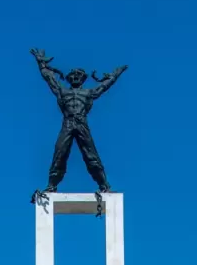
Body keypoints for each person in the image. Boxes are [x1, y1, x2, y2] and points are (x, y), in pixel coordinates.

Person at [31, 49, 127, 194]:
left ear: (83, 78)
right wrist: (41, 64)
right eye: (73, 75)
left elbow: (104, 86)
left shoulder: (88, 93)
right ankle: (52, 185)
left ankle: (104, 185)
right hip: (68, 122)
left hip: (81, 122)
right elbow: (49, 79)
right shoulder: (62, 92)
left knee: (91, 154)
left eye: (78, 75)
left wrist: (115, 75)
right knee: (60, 152)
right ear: (69, 78)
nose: (75, 77)